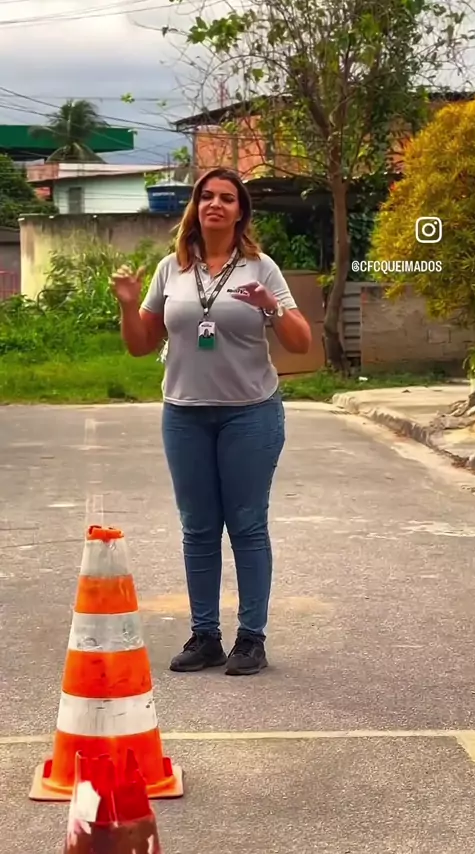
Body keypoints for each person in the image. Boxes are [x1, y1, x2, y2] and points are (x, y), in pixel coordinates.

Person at [111, 167, 312, 676]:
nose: (215, 204)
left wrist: (271, 307)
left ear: (240, 211)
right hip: (185, 414)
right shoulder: (171, 269)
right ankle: (205, 637)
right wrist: (130, 306)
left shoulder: (260, 267)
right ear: (196, 207)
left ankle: (251, 639)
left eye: (226, 197)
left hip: (250, 412)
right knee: (198, 528)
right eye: (206, 196)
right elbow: (140, 345)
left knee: (247, 524)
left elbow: (300, 342)